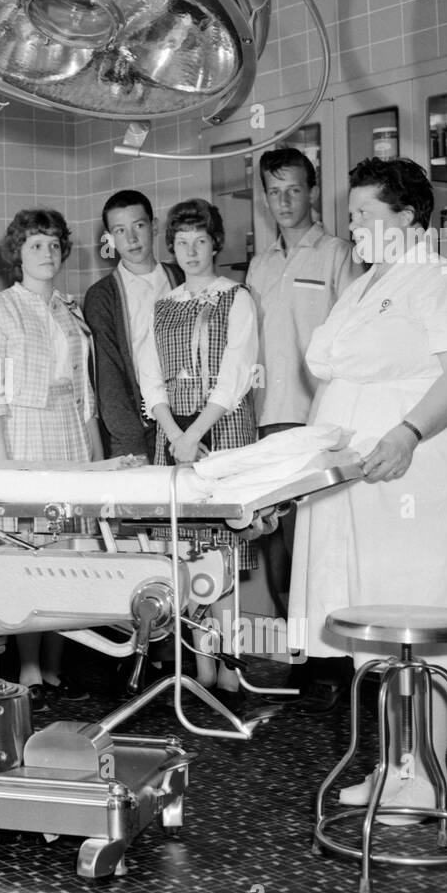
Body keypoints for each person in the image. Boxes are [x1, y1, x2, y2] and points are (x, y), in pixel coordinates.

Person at [292, 157, 447, 819]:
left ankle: (427, 777)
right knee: (379, 628)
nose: (351, 224)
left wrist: (408, 432)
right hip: (360, 482)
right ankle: (393, 766)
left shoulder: (442, 282)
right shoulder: (364, 286)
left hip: (415, 473)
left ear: (408, 217)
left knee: (426, 623)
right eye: (351, 211)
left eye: (364, 213)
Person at [0, 208, 104, 709]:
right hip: (24, 432)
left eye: (53, 245)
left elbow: (84, 388)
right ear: (17, 255)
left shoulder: (69, 310)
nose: (46, 254)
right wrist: (1, 457)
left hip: (69, 430)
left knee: (68, 550)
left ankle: (53, 664)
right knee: (31, 550)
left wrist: (94, 451)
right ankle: (28, 668)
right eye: (35, 246)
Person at [246, 147, 361, 712]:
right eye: (274, 191)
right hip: (268, 420)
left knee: (320, 542)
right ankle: (296, 656)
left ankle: (332, 662)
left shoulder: (339, 254)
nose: (284, 201)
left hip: (319, 420)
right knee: (278, 547)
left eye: (294, 189)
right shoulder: (260, 264)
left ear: (312, 191)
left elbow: (355, 338)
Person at [139, 199, 259, 696]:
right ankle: (199, 663)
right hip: (174, 434)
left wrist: (196, 432)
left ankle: (229, 662)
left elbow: (236, 373)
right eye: (181, 242)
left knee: (227, 554)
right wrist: (173, 433)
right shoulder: (163, 305)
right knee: (187, 553)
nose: (191, 250)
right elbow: (151, 377)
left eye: (200, 241)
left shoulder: (238, 298)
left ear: (215, 244)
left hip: (223, 429)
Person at [83, 190, 182, 461]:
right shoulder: (103, 295)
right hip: (139, 426)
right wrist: (132, 444)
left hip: (189, 417)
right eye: (120, 230)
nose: (131, 239)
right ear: (110, 238)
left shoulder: (183, 277)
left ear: (155, 225)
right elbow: (109, 376)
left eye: (138, 225)